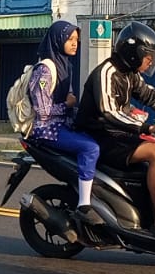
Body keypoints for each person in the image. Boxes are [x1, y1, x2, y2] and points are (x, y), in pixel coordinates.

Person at [74, 22, 155, 244]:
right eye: (147, 57)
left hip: (117, 135)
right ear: (134, 53)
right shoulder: (106, 73)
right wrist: (149, 127)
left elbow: (151, 96)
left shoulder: (129, 74)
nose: (149, 62)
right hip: (100, 137)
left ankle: (154, 216)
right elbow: (109, 114)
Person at [27, 20, 103, 225]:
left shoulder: (65, 65)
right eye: (70, 39)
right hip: (46, 130)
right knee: (90, 148)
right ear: (58, 40)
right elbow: (42, 112)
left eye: (76, 40)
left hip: (63, 124)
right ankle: (84, 205)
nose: (74, 44)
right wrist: (67, 105)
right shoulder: (44, 70)